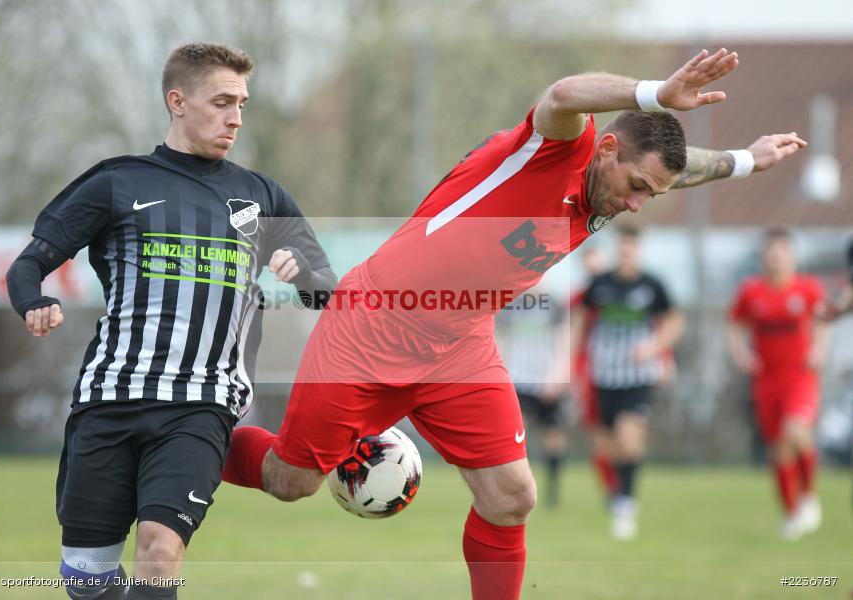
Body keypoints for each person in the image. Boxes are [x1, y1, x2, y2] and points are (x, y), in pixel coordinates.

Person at [223, 48, 806, 599]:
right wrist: (655, 93)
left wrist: (747, 160)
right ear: (605, 149)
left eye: (649, 196)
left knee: (511, 497)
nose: (636, 205)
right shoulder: (553, 149)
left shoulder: (615, 187)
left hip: (459, 346)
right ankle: (184, 440)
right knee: (289, 481)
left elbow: (677, 172)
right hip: (372, 329)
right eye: (635, 188)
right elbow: (563, 93)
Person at [5, 43, 335, 600]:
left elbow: (326, 293)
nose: (235, 117)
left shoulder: (261, 195)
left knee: (160, 549)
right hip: (110, 398)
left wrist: (301, 271)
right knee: (86, 581)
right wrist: (33, 302)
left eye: (242, 104)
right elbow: (28, 264)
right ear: (177, 101)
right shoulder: (117, 182)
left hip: (201, 407)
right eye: (221, 101)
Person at [571, 224, 684, 539]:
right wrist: (568, 363)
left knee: (629, 435)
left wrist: (655, 347)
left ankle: (626, 504)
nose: (626, 251)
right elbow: (579, 320)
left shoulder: (652, 285)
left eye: (632, 246)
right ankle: (616, 494)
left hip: (638, 377)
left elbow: (675, 320)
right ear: (616, 248)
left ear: (639, 249)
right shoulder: (600, 284)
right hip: (603, 376)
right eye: (622, 245)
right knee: (606, 446)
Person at [728, 228, 828, 539]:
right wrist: (741, 353)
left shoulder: (808, 288)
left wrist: (819, 349)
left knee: (796, 429)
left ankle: (809, 497)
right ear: (763, 257)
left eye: (782, 251)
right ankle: (791, 513)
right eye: (771, 252)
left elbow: (824, 319)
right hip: (766, 379)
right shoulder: (751, 292)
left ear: (792, 256)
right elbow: (733, 323)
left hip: (800, 376)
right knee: (779, 449)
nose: (776, 257)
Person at [495, 288, 571, 508]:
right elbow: (501, 339)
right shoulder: (510, 305)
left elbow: (563, 341)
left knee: (553, 438)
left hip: (547, 382)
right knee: (515, 436)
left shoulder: (555, 305)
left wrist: (558, 375)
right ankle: (517, 487)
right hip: (517, 381)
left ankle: (552, 491)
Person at [570, 246, 622, 500]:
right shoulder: (580, 298)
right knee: (600, 434)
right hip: (592, 372)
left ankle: (622, 485)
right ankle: (613, 489)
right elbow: (574, 334)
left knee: (624, 433)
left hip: (623, 373)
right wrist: (573, 371)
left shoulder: (618, 293)